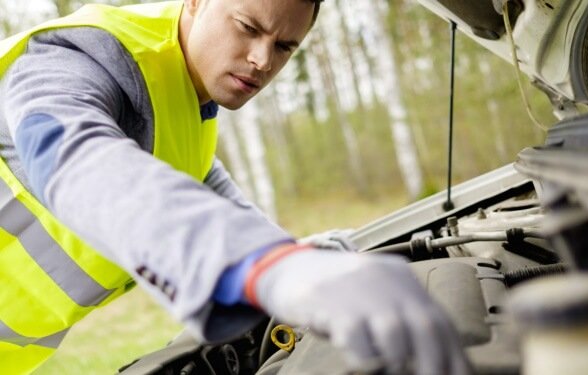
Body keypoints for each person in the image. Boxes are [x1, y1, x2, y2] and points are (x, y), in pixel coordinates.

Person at [0, 0, 470, 374]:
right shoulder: (82, 57)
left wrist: (298, 256)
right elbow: (77, 159)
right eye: (248, 27)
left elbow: (208, 201)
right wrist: (269, 265)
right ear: (195, 2)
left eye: (285, 46)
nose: (262, 60)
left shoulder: (186, 109)